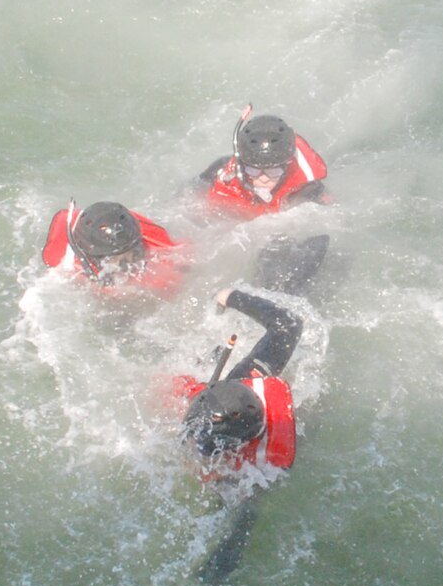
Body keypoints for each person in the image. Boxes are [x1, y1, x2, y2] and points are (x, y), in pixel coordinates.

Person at [175, 287, 300, 477]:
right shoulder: (192, 402)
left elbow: (289, 324)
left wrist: (232, 297)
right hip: (218, 396)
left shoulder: (265, 457)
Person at [197, 106, 328, 217]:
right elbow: (187, 198)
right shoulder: (220, 171)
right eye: (253, 171)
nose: (263, 179)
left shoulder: (306, 190)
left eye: (273, 172)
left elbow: (330, 215)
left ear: (287, 167)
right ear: (242, 166)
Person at [40, 200, 186, 297]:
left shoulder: (149, 235)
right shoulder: (64, 261)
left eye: (134, 254)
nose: (128, 264)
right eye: (116, 259)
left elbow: (183, 256)